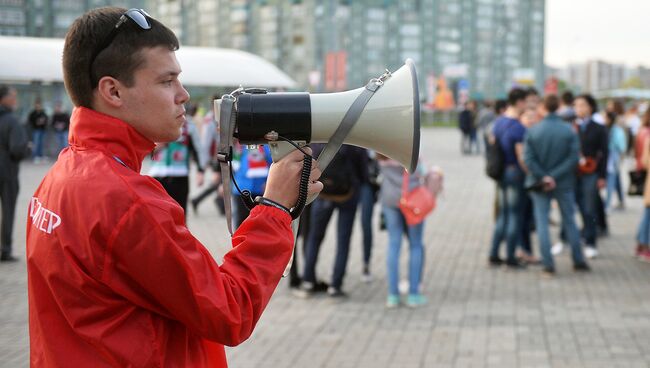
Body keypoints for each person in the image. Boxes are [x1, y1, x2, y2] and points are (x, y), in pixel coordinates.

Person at [26, 8, 322, 367]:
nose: (183, 95)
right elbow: (230, 311)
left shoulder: (59, 175)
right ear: (113, 91)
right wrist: (275, 210)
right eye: (167, 81)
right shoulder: (126, 200)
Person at [523, 94, 590, 276]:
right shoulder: (568, 130)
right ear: (559, 107)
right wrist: (554, 176)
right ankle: (578, 260)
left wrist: (544, 176)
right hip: (563, 182)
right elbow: (573, 157)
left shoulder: (534, 130)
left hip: (539, 183)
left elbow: (528, 158)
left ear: (543, 108)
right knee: (569, 220)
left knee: (542, 222)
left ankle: (548, 264)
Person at [298, 144, 368, 298]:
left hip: (322, 193)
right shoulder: (354, 140)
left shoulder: (320, 137)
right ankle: (336, 285)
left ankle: (308, 280)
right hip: (348, 195)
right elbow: (363, 170)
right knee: (343, 240)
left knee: (314, 238)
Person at [378, 155, 428, 308]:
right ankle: (414, 294)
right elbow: (421, 171)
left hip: (389, 198)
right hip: (412, 199)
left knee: (394, 244)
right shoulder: (409, 145)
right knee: (416, 244)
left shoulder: (381, 146)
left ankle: (393, 295)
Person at [488, 88, 528, 269]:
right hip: (514, 172)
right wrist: (530, 172)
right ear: (519, 102)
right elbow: (521, 156)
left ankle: (494, 254)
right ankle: (511, 257)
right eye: (525, 102)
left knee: (502, 215)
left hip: (500, 172)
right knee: (514, 215)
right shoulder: (518, 127)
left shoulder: (499, 122)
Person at [148, 102, 206, 214]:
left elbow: (197, 148)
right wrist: (155, 147)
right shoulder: (154, 121)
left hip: (180, 174)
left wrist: (200, 170)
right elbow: (141, 148)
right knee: (157, 214)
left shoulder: (188, 124)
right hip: (156, 175)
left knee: (179, 213)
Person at [574, 94, 608, 259]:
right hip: (572, 173)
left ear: (590, 107)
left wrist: (602, 176)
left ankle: (591, 241)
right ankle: (570, 238)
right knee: (572, 208)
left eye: (583, 105)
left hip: (591, 172)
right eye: (577, 105)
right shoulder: (571, 126)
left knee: (590, 208)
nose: (579, 109)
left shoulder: (599, 128)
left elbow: (605, 153)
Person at [0, 85, 29, 262]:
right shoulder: (12, 120)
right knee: (8, 210)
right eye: (13, 95)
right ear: (3, 98)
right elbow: (17, 149)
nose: (16, 99)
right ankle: (6, 249)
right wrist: (28, 149)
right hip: (6, 170)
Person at [604, 111, 627, 211]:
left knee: (612, 180)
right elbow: (622, 146)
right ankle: (621, 201)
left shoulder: (608, 129)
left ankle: (607, 204)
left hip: (610, 157)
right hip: (614, 157)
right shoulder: (617, 130)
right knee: (615, 179)